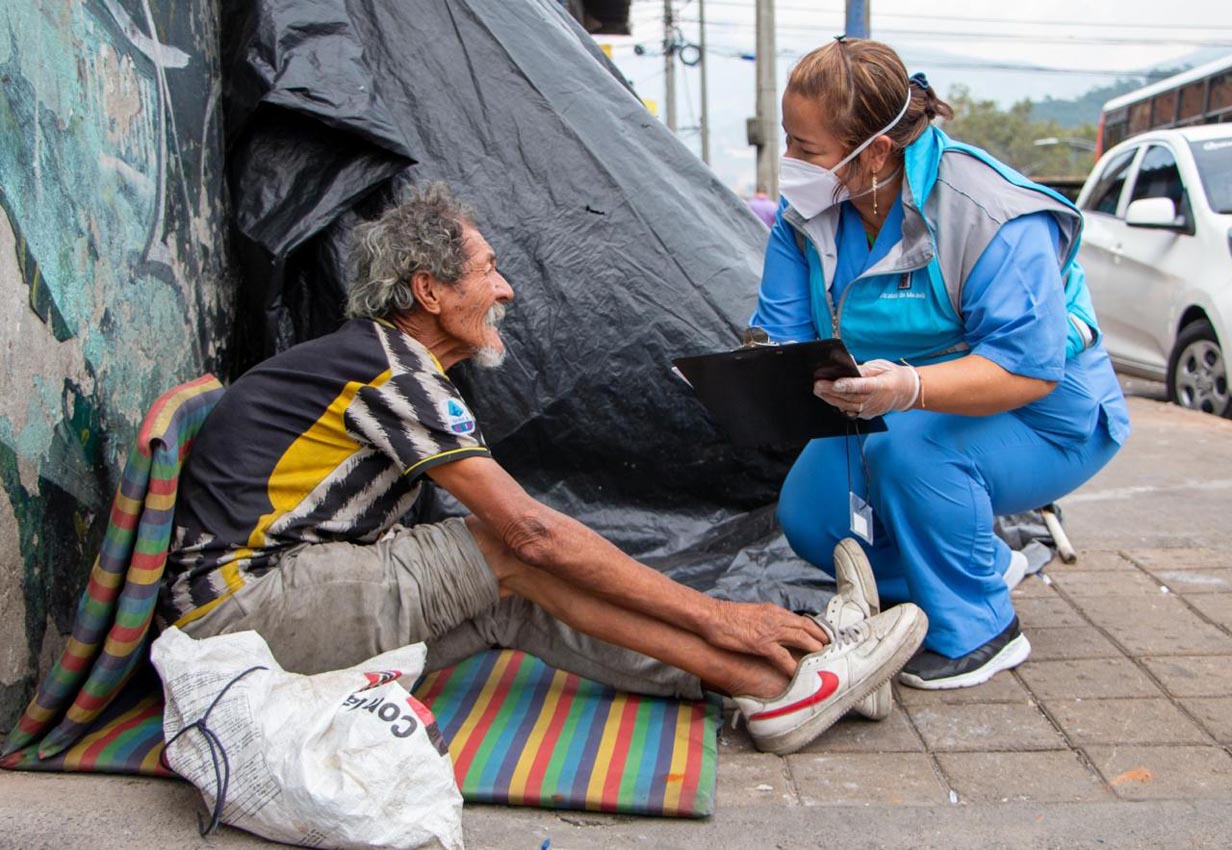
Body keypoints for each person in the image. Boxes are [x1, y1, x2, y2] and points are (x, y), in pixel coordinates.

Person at [157, 182, 927, 755]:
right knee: (505, 547)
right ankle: (786, 662)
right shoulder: (388, 371)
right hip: (240, 615)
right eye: (489, 271)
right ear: (429, 288)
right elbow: (524, 531)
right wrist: (722, 611)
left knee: (505, 598)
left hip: (271, 605)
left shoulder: (392, 366)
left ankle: (776, 684)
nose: (506, 288)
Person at [751, 38, 1129, 690]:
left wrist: (911, 387)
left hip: (1044, 414)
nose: (790, 163)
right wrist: (752, 379)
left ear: (875, 152)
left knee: (909, 454)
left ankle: (979, 630)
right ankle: (972, 564)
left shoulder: (991, 214)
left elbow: (1029, 368)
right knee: (813, 518)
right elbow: (783, 338)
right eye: (788, 141)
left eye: (806, 149)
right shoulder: (806, 218)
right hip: (892, 404)